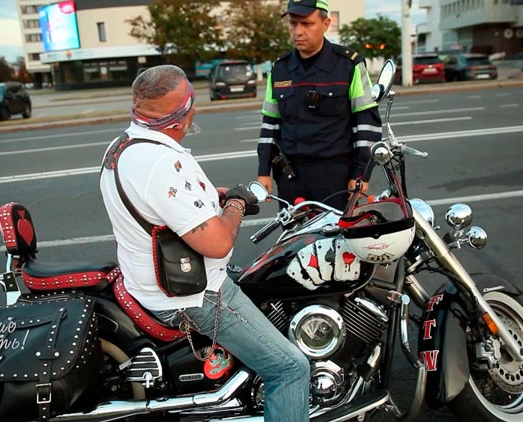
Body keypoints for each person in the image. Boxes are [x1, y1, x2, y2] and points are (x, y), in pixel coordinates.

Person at [99, 65, 311, 421]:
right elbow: (217, 244)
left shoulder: (122, 146)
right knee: (290, 369)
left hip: (150, 283)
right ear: (184, 110)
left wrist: (212, 199)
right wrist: (237, 204)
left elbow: (152, 204)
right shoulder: (161, 162)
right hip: (194, 296)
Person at [257, 0, 382, 210]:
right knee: (294, 239)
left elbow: (367, 123)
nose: (298, 31)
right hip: (291, 177)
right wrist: (263, 172)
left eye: (307, 24)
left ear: (326, 24)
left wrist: (361, 174)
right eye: (293, 24)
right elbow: (270, 124)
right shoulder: (280, 69)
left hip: (335, 176)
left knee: (336, 238)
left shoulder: (349, 64)